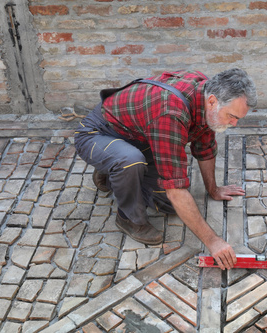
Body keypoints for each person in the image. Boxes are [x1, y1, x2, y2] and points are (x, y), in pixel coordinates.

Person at [74, 68, 257, 270]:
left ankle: (111, 170)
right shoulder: (170, 112)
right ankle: (129, 218)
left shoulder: (204, 93)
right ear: (212, 101)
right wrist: (213, 242)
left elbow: (203, 146)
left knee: (167, 206)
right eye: (232, 116)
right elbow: (176, 191)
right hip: (97, 134)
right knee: (132, 163)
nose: (235, 123)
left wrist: (213, 189)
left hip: (138, 136)